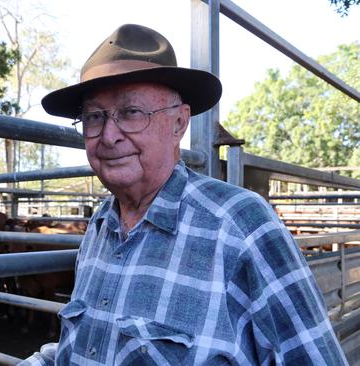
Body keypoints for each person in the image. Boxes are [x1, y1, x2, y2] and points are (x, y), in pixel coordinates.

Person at [20, 24, 347, 365]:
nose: (108, 135)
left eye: (131, 113)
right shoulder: (101, 225)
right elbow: (88, 347)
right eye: (94, 117)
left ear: (179, 123)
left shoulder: (242, 225)